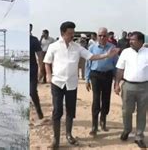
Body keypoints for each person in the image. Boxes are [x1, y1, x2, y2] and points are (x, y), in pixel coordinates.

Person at [44, 21, 119, 149]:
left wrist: (107, 55)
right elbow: (47, 62)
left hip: (72, 84)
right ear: (62, 33)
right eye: (69, 33)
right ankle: (56, 139)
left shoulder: (77, 47)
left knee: (70, 110)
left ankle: (69, 135)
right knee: (57, 111)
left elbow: (91, 57)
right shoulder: (53, 46)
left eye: (73, 33)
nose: (72, 35)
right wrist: (48, 75)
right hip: (57, 83)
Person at [114, 31, 148, 148]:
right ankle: (127, 130)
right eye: (130, 39)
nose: (130, 41)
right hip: (128, 86)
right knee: (126, 110)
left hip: (144, 87)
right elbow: (119, 69)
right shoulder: (126, 52)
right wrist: (117, 84)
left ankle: (139, 136)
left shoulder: (147, 52)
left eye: (133, 40)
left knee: (142, 112)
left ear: (141, 41)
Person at [85, 28, 118, 136]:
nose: (102, 38)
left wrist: (116, 80)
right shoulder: (92, 48)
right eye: (100, 35)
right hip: (96, 75)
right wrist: (87, 79)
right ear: (97, 36)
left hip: (107, 75)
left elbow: (116, 64)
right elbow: (88, 65)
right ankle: (94, 125)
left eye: (104, 35)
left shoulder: (112, 48)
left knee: (106, 99)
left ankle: (103, 120)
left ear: (108, 36)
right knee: (96, 99)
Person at [30, 24, 44, 119]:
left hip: (33, 69)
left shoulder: (34, 40)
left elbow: (39, 56)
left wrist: (41, 70)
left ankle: (39, 112)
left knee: (32, 92)